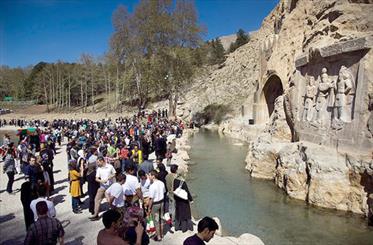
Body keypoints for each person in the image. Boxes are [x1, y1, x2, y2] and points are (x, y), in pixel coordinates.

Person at [90, 156, 116, 221]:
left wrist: (110, 177)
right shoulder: (99, 169)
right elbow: (96, 178)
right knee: (97, 199)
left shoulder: (110, 166)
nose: (97, 164)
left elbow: (114, 173)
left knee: (110, 201)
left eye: (98, 162)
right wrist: (102, 181)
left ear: (102, 161)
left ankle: (115, 214)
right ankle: (96, 215)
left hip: (110, 187)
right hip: (102, 187)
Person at [148, 170, 166, 241]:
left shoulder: (152, 186)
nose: (148, 177)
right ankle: (162, 234)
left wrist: (149, 208)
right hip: (162, 202)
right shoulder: (161, 183)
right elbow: (164, 192)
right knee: (161, 218)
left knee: (156, 221)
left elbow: (151, 199)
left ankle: (158, 236)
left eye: (149, 175)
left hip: (155, 204)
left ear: (153, 176)